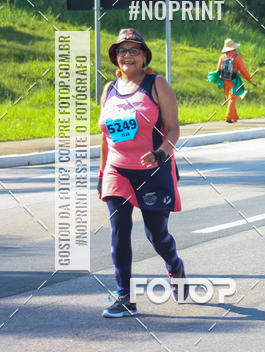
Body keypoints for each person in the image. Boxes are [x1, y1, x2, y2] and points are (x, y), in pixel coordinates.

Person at [98, 28, 187, 318]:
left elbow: (173, 129)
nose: (128, 55)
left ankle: (175, 266)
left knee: (156, 236)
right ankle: (125, 296)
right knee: (119, 230)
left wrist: (161, 153)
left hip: (153, 171)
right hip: (117, 170)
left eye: (134, 50)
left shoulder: (156, 85)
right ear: (115, 57)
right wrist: (101, 173)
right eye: (122, 50)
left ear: (144, 56)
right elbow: (105, 138)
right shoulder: (109, 89)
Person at [216, 38, 257, 123]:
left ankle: (234, 117)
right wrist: (249, 79)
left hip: (225, 80)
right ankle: (228, 117)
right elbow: (243, 70)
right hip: (234, 81)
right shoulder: (237, 57)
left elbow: (218, 70)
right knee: (232, 98)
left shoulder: (222, 57)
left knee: (230, 98)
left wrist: (219, 80)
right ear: (234, 48)